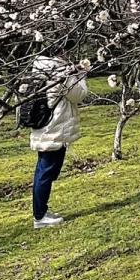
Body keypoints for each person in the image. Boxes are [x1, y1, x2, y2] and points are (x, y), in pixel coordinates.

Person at [29, 55, 89, 229]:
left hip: (44, 126)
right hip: (55, 128)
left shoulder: (39, 67)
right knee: (46, 173)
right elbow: (78, 95)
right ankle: (39, 216)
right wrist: (83, 75)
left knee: (43, 170)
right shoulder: (61, 70)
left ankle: (41, 213)